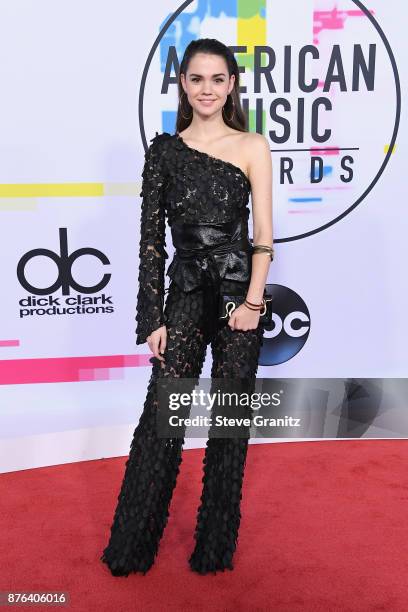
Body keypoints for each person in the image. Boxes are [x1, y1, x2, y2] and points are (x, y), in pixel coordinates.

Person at [100, 38, 273, 576]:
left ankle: (213, 549)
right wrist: (153, 318)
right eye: (197, 79)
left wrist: (252, 304)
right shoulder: (165, 152)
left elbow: (265, 235)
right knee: (162, 417)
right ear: (183, 84)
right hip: (185, 295)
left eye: (217, 79)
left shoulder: (252, 145)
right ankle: (131, 548)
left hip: (238, 297)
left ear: (231, 85)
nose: (207, 89)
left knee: (229, 424)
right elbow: (152, 242)